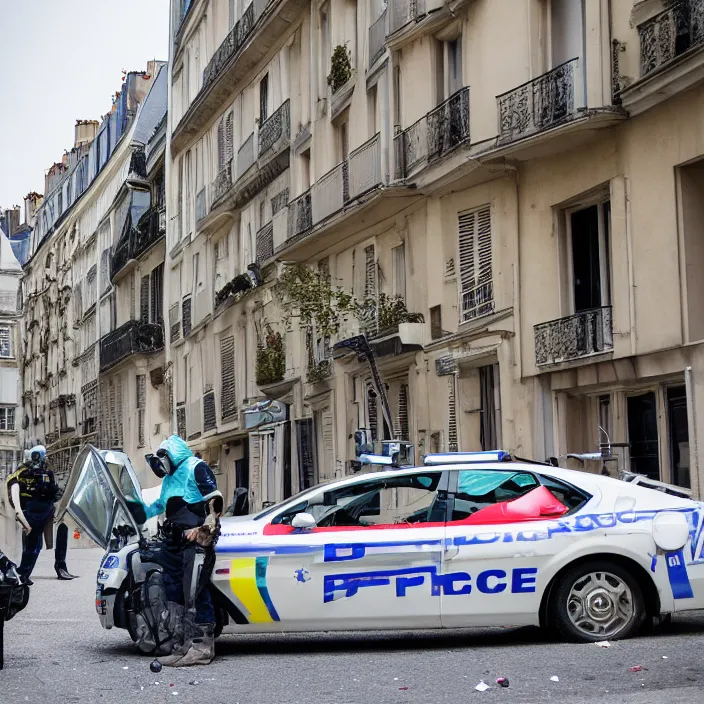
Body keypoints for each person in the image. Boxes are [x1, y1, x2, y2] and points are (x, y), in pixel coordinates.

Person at [143, 435, 223, 667]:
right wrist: (136, 511)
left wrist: (204, 528)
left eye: (163, 458)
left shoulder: (196, 467)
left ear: (172, 454)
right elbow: (161, 504)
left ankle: (201, 647)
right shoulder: (170, 478)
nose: (161, 465)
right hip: (173, 540)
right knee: (174, 589)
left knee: (195, 591)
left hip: (195, 541)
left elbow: (214, 500)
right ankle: (182, 645)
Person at [5, 446, 59, 585]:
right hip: (32, 513)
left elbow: (54, 492)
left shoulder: (45, 473)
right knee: (33, 546)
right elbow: (15, 497)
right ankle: (21, 573)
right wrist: (24, 520)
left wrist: (48, 487)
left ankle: (23, 573)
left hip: (42, 512)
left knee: (35, 545)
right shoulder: (21, 475)